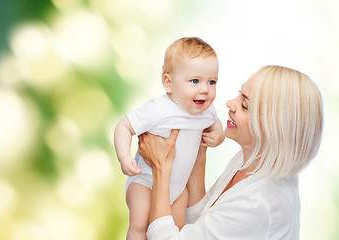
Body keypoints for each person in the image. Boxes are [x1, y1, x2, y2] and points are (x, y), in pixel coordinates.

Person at [138, 65, 324, 239]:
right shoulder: (255, 158)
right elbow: (203, 220)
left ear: (274, 129)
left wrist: (161, 167)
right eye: (239, 94)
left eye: (245, 105)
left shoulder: (258, 203)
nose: (230, 103)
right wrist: (199, 151)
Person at [114, 37, 225, 239]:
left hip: (179, 189)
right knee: (140, 225)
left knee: (177, 230)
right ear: (169, 83)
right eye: (195, 81)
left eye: (212, 82)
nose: (205, 89)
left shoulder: (207, 111)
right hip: (145, 182)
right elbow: (123, 126)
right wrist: (124, 157)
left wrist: (218, 137)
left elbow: (216, 126)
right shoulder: (159, 109)